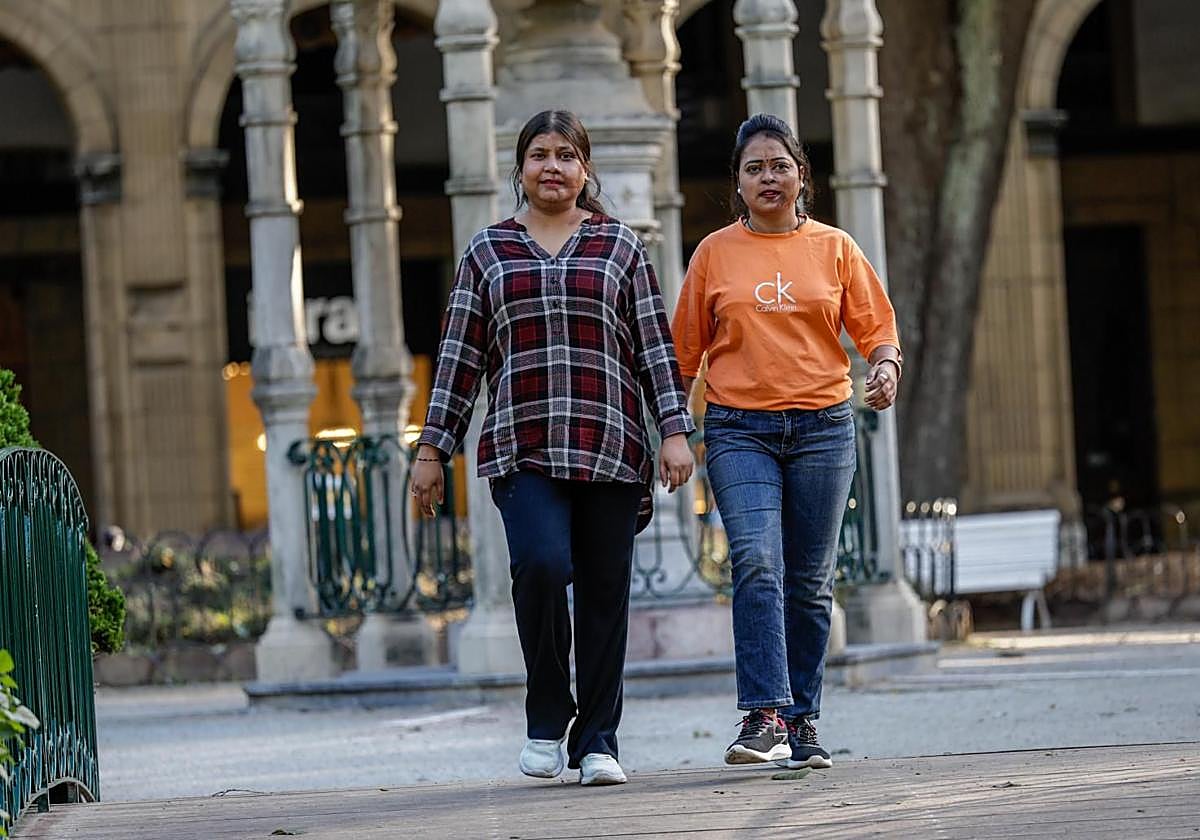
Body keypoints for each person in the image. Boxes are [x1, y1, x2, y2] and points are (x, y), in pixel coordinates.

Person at [410, 110, 695, 787]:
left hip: (610, 444)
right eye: (540, 154)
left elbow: (655, 347)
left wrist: (676, 433)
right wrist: (431, 449)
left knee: (604, 593)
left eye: (566, 155)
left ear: (584, 170)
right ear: (521, 169)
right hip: (522, 443)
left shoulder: (621, 247)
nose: (552, 166)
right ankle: (547, 715)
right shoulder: (488, 252)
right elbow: (458, 359)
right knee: (539, 565)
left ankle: (598, 740)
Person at [670, 113, 902, 770]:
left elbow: (878, 331)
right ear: (738, 185)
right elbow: (684, 356)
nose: (768, 177)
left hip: (823, 428)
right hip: (740, 429)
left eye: (779, 165)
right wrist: (674, 433)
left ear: (802, 176)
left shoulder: (835, 248)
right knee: (756, 562)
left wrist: (885, 368)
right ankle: (764, 715)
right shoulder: (714, 253)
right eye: (754, 168)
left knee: (808, 581)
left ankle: (803, 722)